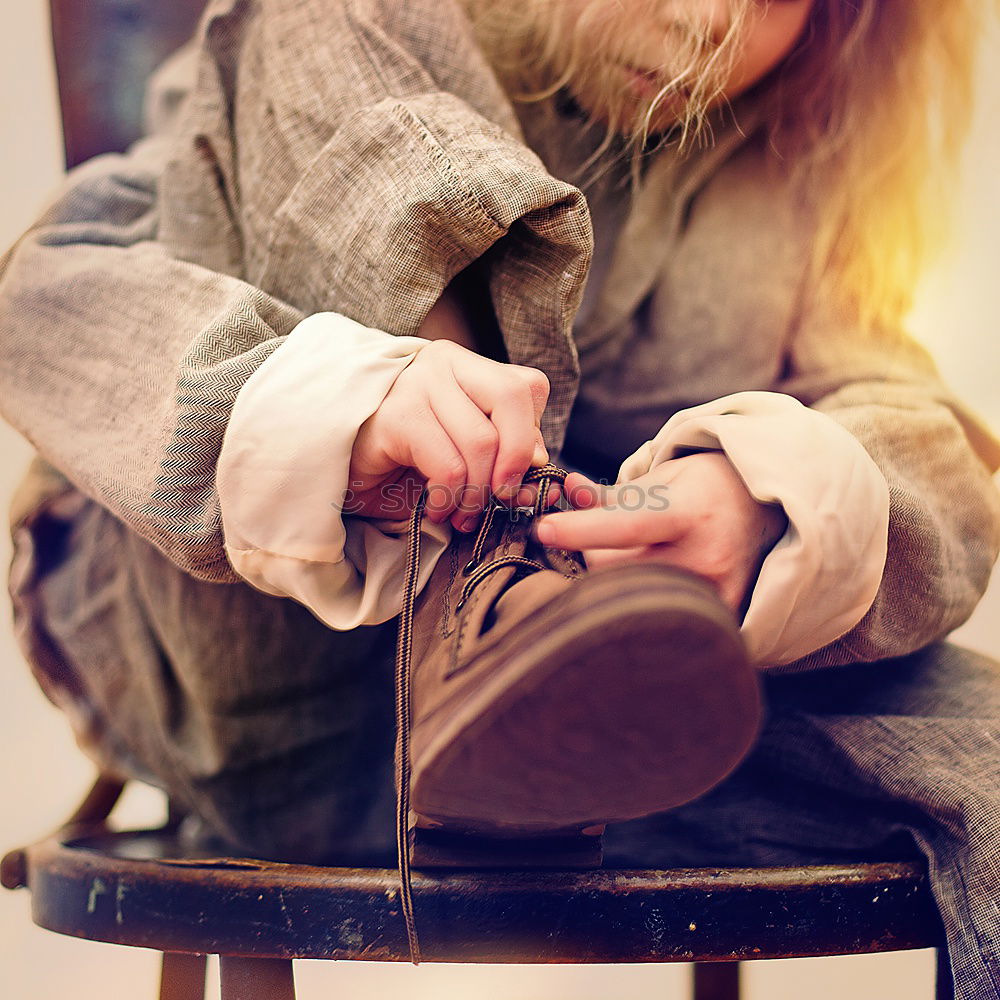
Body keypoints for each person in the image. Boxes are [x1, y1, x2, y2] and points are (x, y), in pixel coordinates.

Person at [2, 0, 999, 992]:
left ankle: (541, 633)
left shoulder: (800, 163)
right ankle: (481, 588)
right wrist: (344, 404)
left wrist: (769, 502)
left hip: (610, 733)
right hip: (259, 688)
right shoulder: (339, 34)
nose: (705, 20)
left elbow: (931, 440)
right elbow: (44, 305)